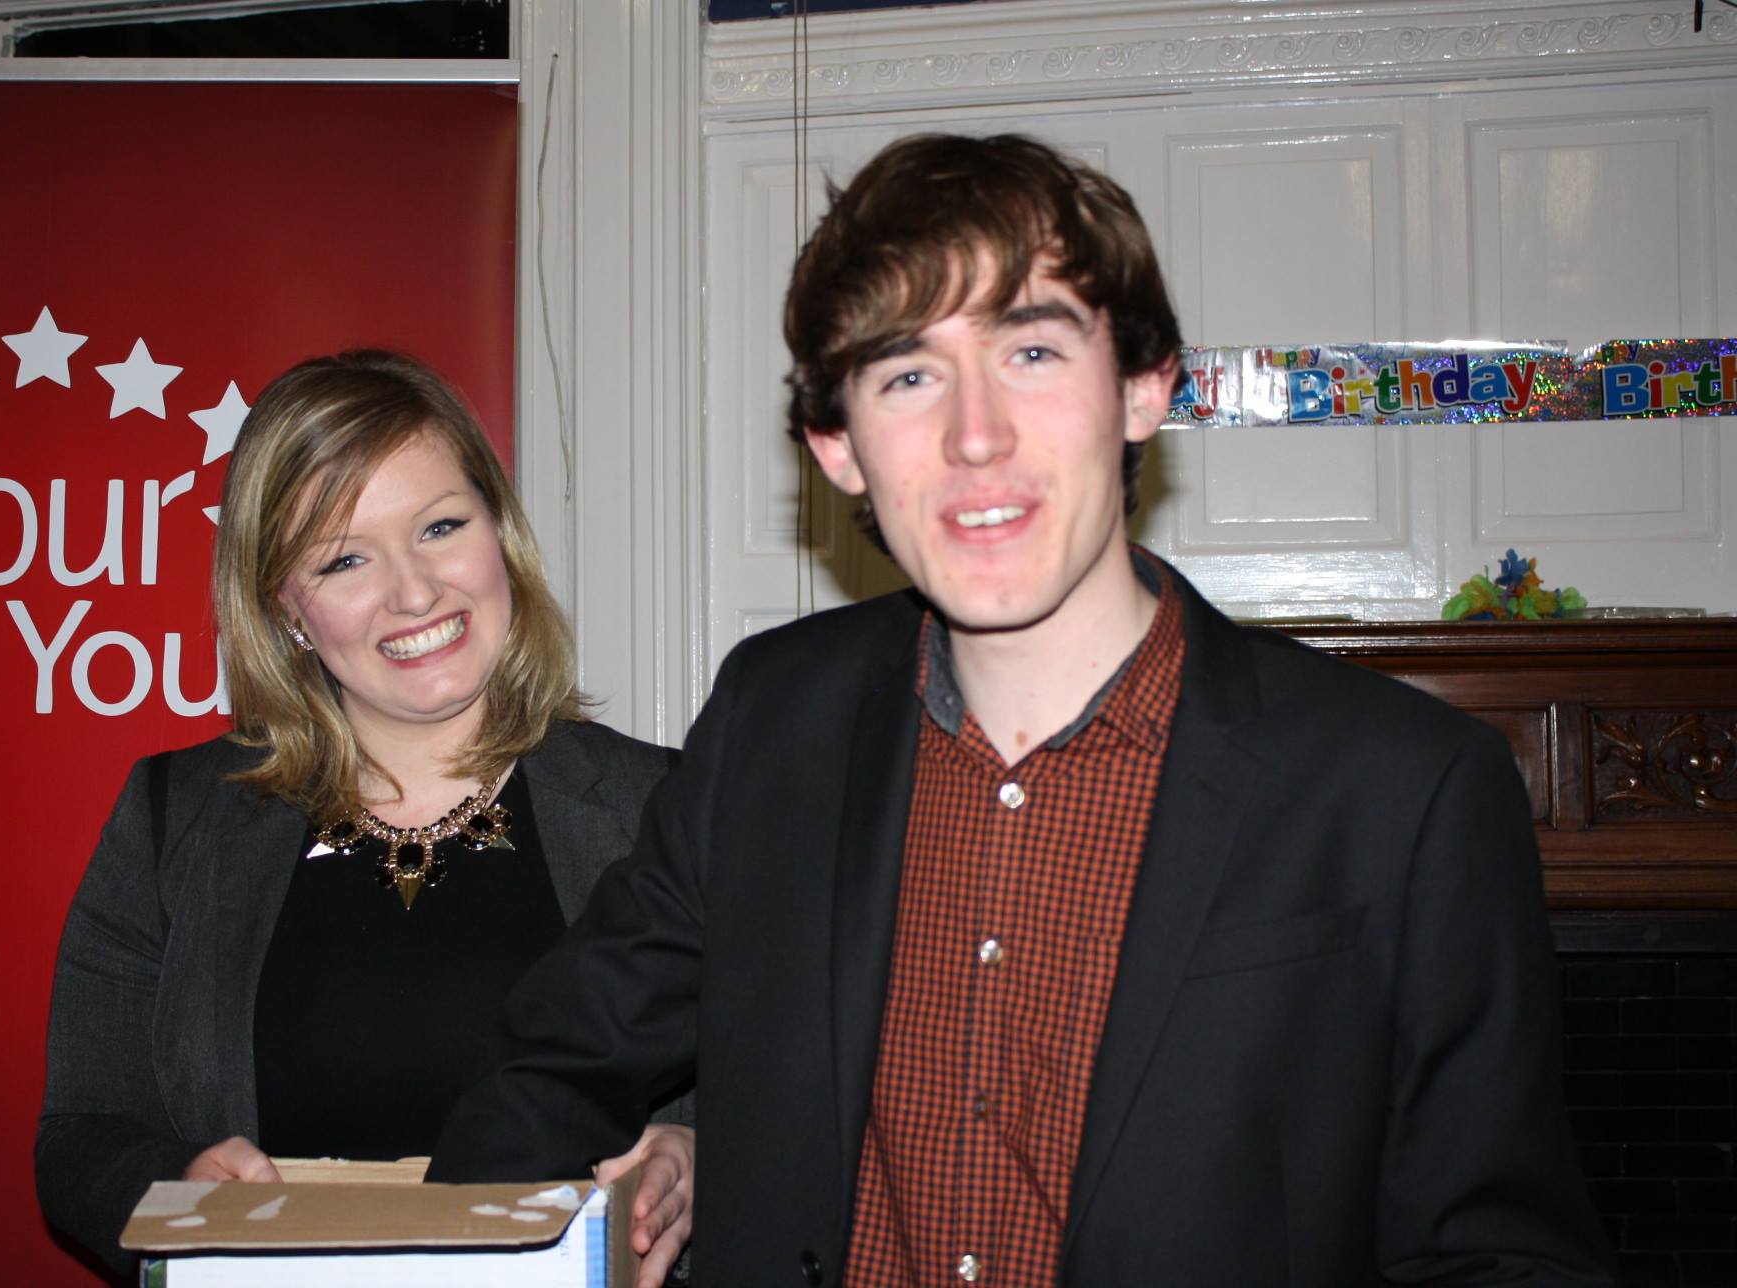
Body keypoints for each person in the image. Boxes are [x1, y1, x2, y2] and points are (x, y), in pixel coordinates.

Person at [425, 134, 1615, 1285]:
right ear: (837, 448)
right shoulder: (768, 719)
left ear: (1146, 389)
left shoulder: (1405, 790)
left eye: (1033, 353)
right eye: (907, 375)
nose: (974, 434)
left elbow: (1495, 1250)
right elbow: (553, 1067)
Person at [36, 351, 693, 1285]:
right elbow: (81, 1134)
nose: (415, 592)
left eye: (440, 526)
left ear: (498, 530)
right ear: (286, 609)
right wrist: (176, 1185)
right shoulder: (168, 818)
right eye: (344, 559)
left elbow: (790, 1098)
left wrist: (697, 1162)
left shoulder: (671, 807)